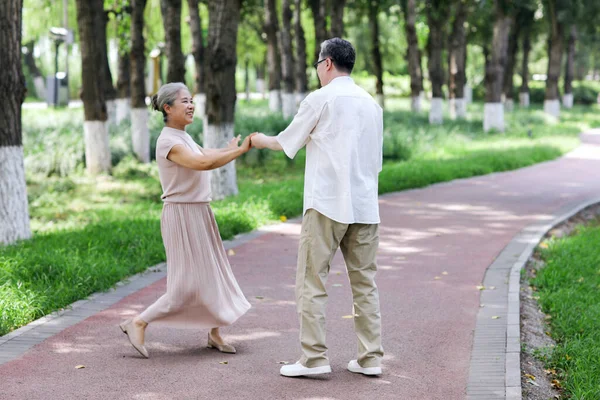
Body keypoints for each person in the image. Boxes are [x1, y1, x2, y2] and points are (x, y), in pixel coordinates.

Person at [251, 38, 384, 377]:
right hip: (366, 205)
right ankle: (370, 358)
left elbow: (285, 142)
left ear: (327, 64)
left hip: (326, 203)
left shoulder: (320, 99)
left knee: (312, 282)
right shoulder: (371, 104)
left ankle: (314, 359)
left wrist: (256, 140)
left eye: (317, 64)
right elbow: (376, 161)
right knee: (365, 284)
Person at [120, 82, 253, 358]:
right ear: (168, 108)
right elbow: (201, 164)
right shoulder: (169, 141)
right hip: (181, 215)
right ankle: (138, 322)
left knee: (213, 276)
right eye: (184, 102)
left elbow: (206, 154)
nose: (191, 105)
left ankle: (215, 333)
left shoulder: (183, 137)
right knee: (183, 287)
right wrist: (237, 153)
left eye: (192, 100)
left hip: (198, 211)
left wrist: (230, 150)